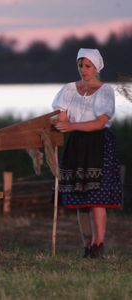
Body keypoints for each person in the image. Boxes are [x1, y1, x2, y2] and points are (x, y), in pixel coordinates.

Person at [52, 48, 123, 258]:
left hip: (98, 143)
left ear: (96, 67)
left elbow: (101, 122)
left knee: (96, 198)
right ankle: (87, 244)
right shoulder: (68, 90)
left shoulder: (105, 91)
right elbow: (62, 117)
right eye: (81, 65)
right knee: (79, 198)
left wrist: (72, 127)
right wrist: (54, 123)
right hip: (76, 144)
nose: (83, 70)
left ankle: (98, 244)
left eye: (88, 66)